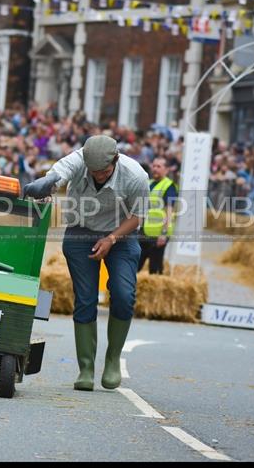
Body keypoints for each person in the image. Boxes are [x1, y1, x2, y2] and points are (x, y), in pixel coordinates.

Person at [22, 134, 149, 391]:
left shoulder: (136, 176)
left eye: (103, 171)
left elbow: (137, 217)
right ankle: (86, 368)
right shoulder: (79, 160)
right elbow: (59, 171)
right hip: (81, 232)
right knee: (85, 298)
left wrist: (111, 239)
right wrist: (46, 182)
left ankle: (112, 360)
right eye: (93, 171)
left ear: (116, 160)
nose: (98, 176)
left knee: (124, 295)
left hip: (121, 234)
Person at [138, 157, 178, 275]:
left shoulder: (169, 186)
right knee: (135, 264)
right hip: (144, 231)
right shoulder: (149, 183)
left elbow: (169, 211)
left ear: (166, 170)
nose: (155, 169)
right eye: (154, 166)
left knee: (155, 268)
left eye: (159, 167)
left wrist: (164, 234)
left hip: (158, 234)